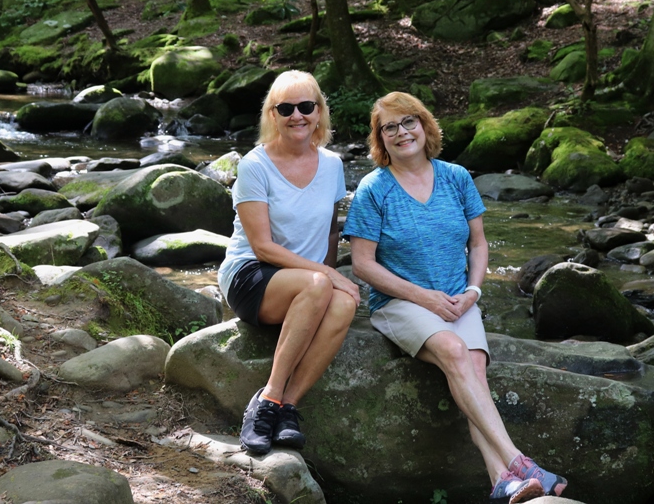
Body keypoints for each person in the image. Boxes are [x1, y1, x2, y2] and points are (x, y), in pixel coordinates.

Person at [345, 92, 567, 503]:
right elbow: (362, 264)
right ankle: (519, 462)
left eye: (407, 121)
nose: (401, 132)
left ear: (424, 125)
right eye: (389, 127)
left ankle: (503, 483)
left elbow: (479, 246)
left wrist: (473, 291)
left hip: (458, 299)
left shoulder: (456, 177)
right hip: (401, 303)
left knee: (475, 372)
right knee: (453, 349)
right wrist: (424, 298)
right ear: (380, 138)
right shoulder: (373, 189)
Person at [217, 70, 359, 455]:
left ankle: (288, 406)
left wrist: (327, 278)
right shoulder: (254, 165)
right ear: (272, 115)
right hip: (252, 275)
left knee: (345, 301)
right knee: (320, 285)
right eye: (286, 108)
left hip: (307, 283)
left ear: (319, 112)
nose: (297, 116)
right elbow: (262, 247)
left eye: (306, 106)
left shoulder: (331, 164)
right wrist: (326, 274)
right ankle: (266, 400)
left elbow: (331, 230)